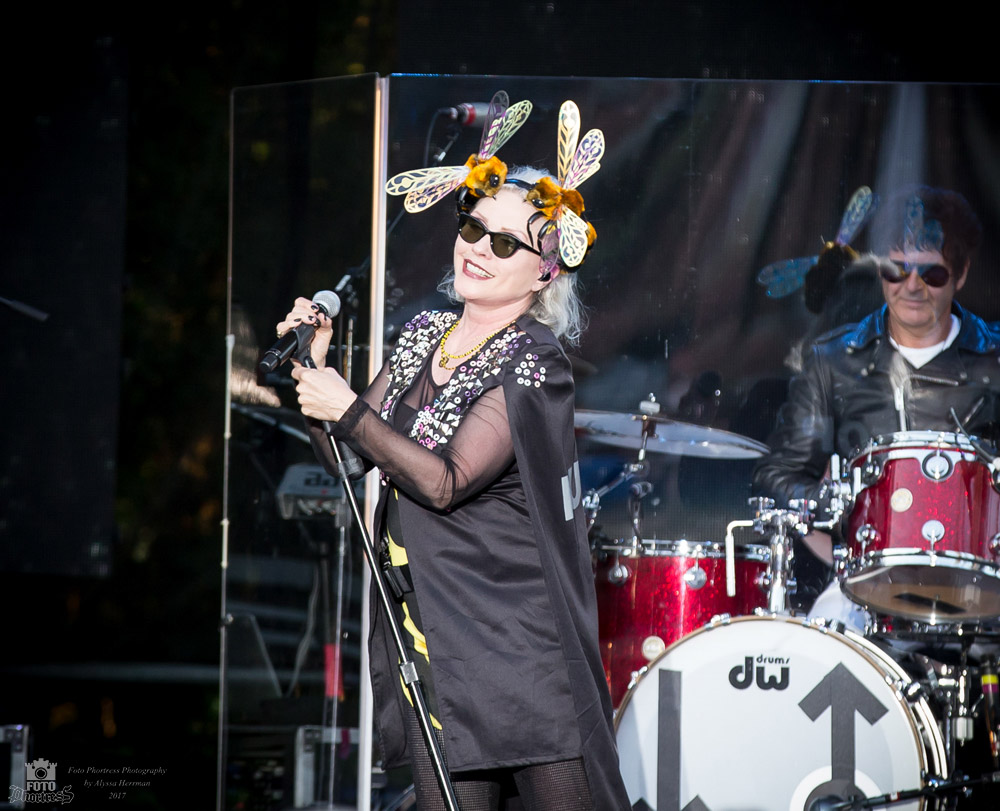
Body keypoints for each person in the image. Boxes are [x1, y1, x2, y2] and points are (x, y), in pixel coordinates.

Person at [275, 102, 629, 811]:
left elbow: (445, 481)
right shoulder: (422, 333)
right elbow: (351, 463)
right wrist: (307, 380)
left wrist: (344, 406)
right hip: (435, 642)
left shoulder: (534, 359)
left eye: (504, 244)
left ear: (544, 275)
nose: (476, 247)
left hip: (520, 653)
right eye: (473, 227)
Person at [752, 186, 1000, 625]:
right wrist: (837, 505)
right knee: (824, 653)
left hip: (979, 583)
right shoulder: (834, 359)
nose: (912, 286)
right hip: (863, 583)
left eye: (932, 274)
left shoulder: (994, 361)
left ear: (960, 275)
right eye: (895, 270)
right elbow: (779, 474)